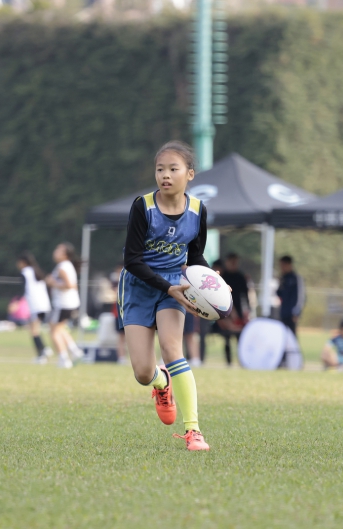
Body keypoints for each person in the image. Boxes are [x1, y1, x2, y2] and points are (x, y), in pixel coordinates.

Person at [118, 140, 209, 451]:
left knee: (172, 349)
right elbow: (132, 260)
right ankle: (161, 382)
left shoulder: (197, 210)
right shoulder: (143, 207)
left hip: (174, 288)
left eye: (173, 169)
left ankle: (194, 431)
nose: (165, 175)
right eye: (160, 169)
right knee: (143, 372)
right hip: (138, 285)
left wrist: (212, 282)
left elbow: (195, 257)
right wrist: (167, 286)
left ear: (190, 174)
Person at [47, 242, 83, 368]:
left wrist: (53, 283)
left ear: (65, 254)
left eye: (59, 250)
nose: (55, 251)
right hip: (68, 303)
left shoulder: (63, 266)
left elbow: (70, 285)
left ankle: (64, 359)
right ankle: (75, 351)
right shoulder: (65, 265)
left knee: (54, 331)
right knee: (60, 328)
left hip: (63, 303)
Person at [17, 252, 53, 363]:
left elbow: (24, 289)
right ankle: (44, 350)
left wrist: (17, 302)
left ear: (23, 262)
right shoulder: (37, 271)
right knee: (36, 329)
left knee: (34, 331)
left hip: (35, 305)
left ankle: (42, 353)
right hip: (44, 304)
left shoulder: (25, 272)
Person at [218, 254, 249, 366]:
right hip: (224, 309)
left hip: (239, 311)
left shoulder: (240, 277)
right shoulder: (223, 276)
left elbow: (246, 295)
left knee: (240, 338)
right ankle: (229, 362)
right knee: (226, 337)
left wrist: (247, 311)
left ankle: (243, 361)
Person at [277, 255, 305, 336]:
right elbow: (279, 294)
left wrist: (296, 312)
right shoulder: (283, 278)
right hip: (283, 313)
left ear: (288, 264)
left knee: (291, 337)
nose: (281, 268)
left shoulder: (296, 278)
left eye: (283, 265)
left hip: (291, 314)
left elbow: (301, 297)